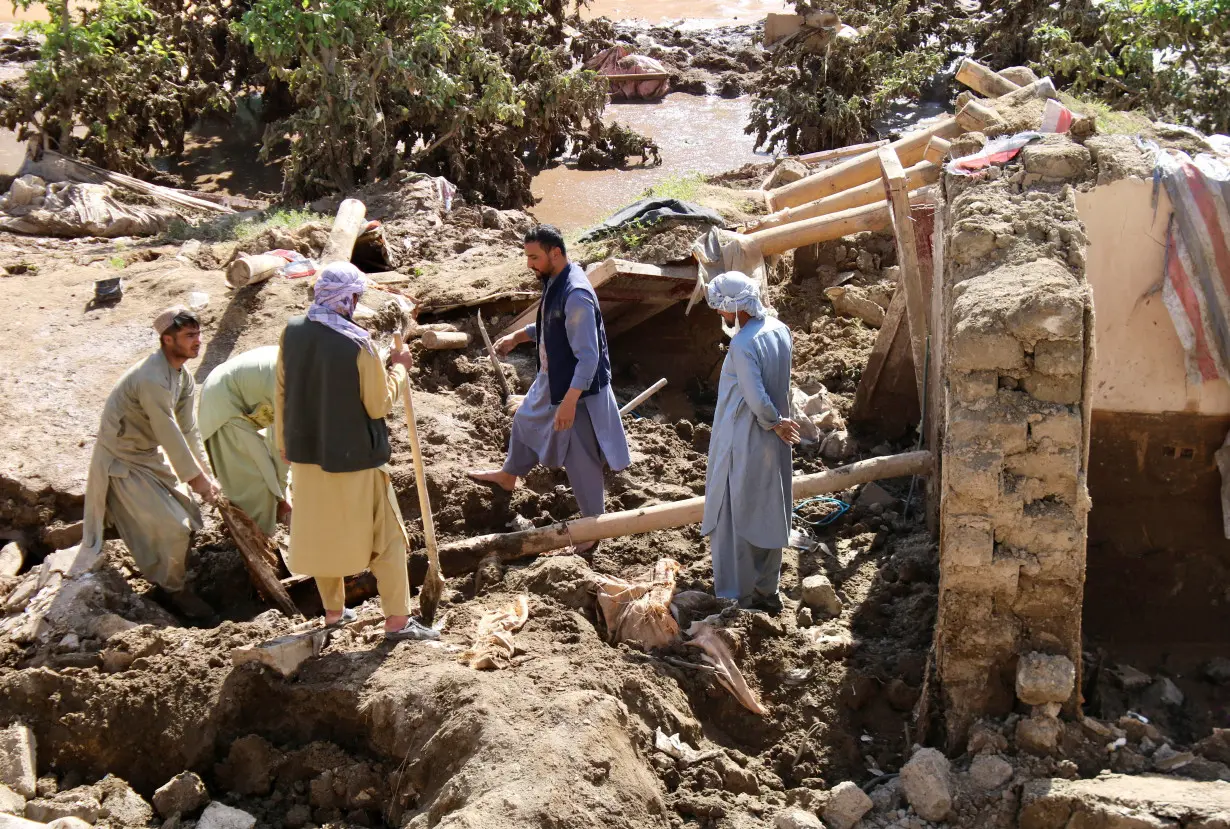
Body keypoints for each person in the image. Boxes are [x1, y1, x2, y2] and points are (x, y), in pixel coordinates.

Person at [276, 261, 437, 641]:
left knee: (321, 535)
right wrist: (399, 369)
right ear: (346, 299)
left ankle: (334, 613)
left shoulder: (292, 332)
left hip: (307, 456)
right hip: (356, 461)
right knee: (389, 538)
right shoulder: (358, 343)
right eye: (355, 298)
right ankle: (397, 622)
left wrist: (285, 444)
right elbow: (378, 405)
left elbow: (281, 390)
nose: (356, 304)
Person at [467, 225, 631, 552]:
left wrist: (570, 403)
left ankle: (591, 528)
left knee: (580, 457)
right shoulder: (556, 280)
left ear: (555, 253)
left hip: (578, 390)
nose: (529, 263)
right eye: (527, 256)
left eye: (534, 257)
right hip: (552, 378)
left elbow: (588, 358)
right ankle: (510, 474)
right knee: (524, 420)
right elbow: (550, 322)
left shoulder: (577, 294)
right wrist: (519, 336)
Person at [76, 306, 221, 618]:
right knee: (174, 529)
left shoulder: (183, 378)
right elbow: (168, 431)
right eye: (189, 336)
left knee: (188, 513)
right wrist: (196, 480)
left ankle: (176, 572)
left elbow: (188, 428)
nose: (198, 341)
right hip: (122, 460)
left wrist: (208, 474)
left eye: (198, 334)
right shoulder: (152, 378)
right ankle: (173, 590)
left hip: (147, 456)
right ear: (167, 340)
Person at [701, 272, 800, 614]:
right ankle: (766, 589)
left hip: (742, 437)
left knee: (734, 514)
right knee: (769, 506)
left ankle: (736, 596)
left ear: (734, 307)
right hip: (774, 443)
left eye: (721, 308)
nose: (719, 315)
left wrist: (773, 422)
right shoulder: (780, 329)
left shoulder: (742, 344)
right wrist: (779, 426)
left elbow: (756, 398)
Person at [198, 345, 290, 535]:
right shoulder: (296, 382)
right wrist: (281, 496)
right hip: (222, 405)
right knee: (255, 483)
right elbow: (283, 447)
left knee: (269, 476)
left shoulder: (305, 365)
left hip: (236, 396)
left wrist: (282, 492)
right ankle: (257, 541)